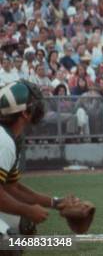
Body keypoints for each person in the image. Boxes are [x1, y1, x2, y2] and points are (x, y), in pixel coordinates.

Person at [0, 81, 67, 238]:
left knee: (23, 225)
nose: (38, 106)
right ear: (24, 112)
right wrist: (27, 209)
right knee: (9, 244)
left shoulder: (9, 137)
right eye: (33, 103)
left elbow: (13, 188)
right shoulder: (4, 141)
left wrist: (56, 203)